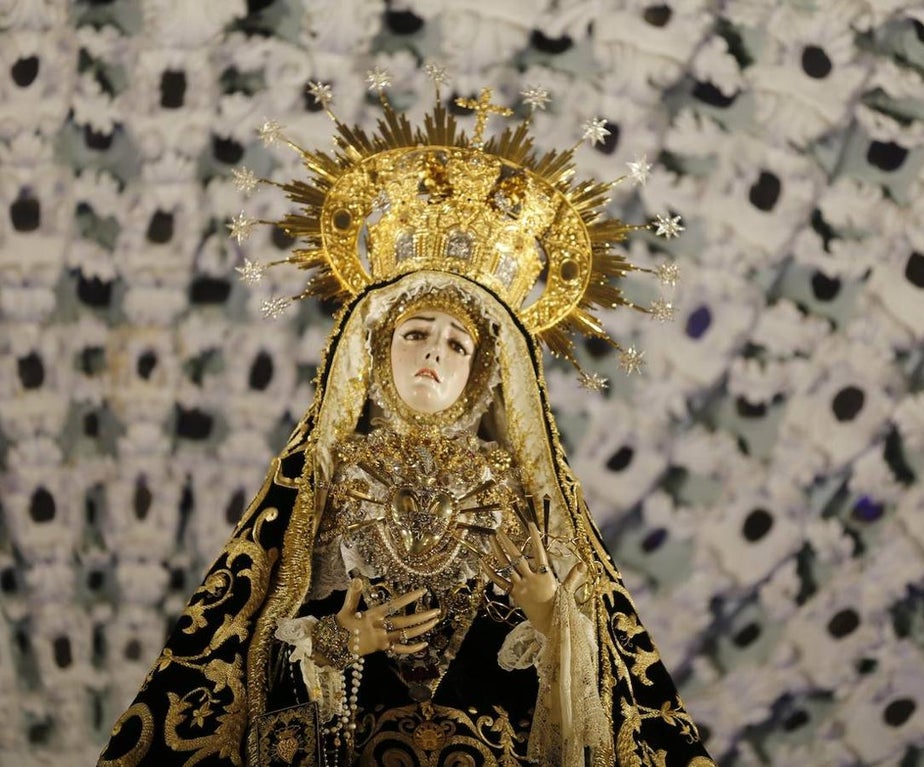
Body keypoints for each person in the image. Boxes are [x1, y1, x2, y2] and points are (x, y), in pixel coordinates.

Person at [99, 82, 714, 767]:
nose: (433, 352)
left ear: (484, 372)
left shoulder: (517, 488)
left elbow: (602, 690)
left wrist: (551, 621)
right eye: (416, 332)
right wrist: (335, 642)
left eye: (457, 344)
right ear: (376, 349)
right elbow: (242, 663)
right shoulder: (329, 482)